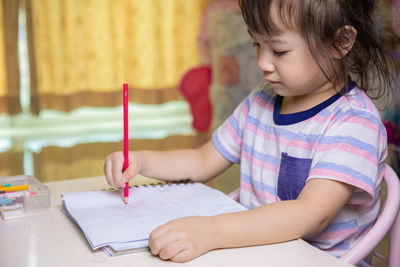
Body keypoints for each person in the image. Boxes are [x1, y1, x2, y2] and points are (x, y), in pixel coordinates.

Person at [104, 0, 395, 265]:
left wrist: (211, 230)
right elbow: (203, 161)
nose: (262, 63)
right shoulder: (260, 101)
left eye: (279, 51)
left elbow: (310, 214)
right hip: (255, 251)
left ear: (339, 42)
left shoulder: (354, 123)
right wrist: (141, 161)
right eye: (257, 44)